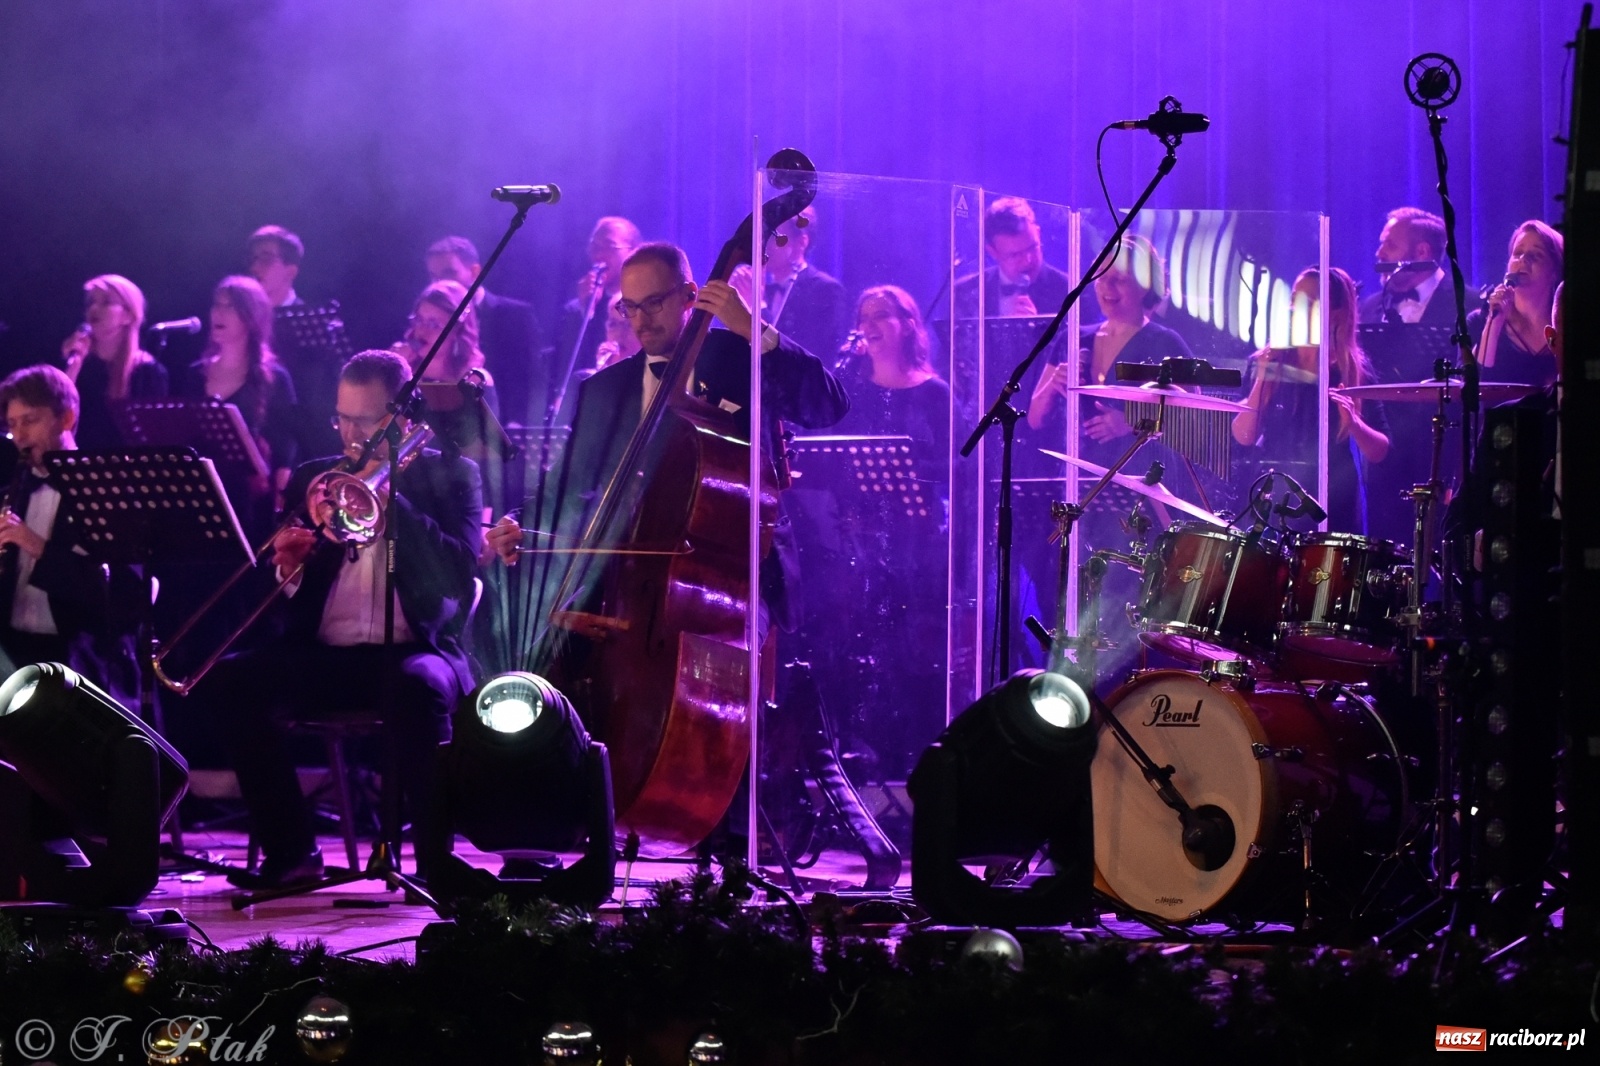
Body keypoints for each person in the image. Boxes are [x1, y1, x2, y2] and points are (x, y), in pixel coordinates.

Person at [212, 349, 483, 888]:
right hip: (325, 653)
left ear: (401, 419)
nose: (349, 433)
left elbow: (458, 573)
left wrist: (389, 502)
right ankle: (293, 854)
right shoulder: (317, 478)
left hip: (416, 649)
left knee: (418, 691)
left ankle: (434, 867)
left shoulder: (453, 475)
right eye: (342, 417)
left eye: (363, 419)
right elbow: (289, 592)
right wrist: (289, 568)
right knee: (231, 681)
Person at [489, 241, 849, 641]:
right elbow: (567, 482)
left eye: (654, 303)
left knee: (720, 661)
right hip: (632, 577)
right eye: (629, 307)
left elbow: (828, 406)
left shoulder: (741, 357)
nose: (639, 321)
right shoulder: (604, 390)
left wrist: (751, 328)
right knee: (552, 654)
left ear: (690, 297)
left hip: (736, 577)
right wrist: (519, 521)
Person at [823, 284, 950, 777]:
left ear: (908, 325)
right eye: (864, 315)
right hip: (856, 541)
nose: (869, 324)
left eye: (882, 315)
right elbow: (832, 457)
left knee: (909, 649)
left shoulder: (934, 393)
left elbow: (956, 467)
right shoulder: (851, 389)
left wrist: (912, 466)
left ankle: (911, 758)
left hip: (918, 545)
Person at [0, 365, 140, 706]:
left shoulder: (105, 494)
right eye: (12, 424)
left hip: (78, 660)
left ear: (65, 419)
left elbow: (120, 600)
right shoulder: (14, 491)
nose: (18, 436)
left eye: (30, 420)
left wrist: (37, 546)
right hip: (15, 651)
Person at [1233, 267, 1390, 535]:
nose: (1295, 307)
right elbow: (1244, 435)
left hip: (1332, 498)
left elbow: (1380, 450)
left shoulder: (1353, 371)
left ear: (1336, 313)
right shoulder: (1270, 361)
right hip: (1272, 495)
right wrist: (1262, 377)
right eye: (1294, 297)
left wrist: (1353, 424)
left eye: (1309, 299)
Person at [181, 275, 299, 536]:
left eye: (229, 306)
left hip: (250, 503)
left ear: (251, 316)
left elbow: (285, 445)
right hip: (201, 497)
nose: (217, 313)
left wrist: (280, 491)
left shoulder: (274, 378)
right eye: (216, 304)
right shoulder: (195, 374)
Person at [424, 236, 542, 426]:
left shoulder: (515, 314)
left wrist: (517, 424)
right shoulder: (431, 322)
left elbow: (532, 379)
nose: (439, 285)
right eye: (434, 277)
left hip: (504, 430)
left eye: (448, 273)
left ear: (474, 272)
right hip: (451, 427)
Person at [58, 273, 170, 450]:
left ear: (128, 316)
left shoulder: (146, 372)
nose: (94, 308)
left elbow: (150, 438)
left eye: (106, 302)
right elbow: (56, 416)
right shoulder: (79, 361)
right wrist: (72, 368)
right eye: (91, 302)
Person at [729, 205, 847, 364]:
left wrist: (759, 306)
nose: (766, 246)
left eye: (776, 238)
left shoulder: (826, 290)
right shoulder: (766, 290)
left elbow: (805, 356)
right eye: (766, 238)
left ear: (801, 242)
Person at [551, 217, 643, 418]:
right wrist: (586, 310)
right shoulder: (576, 311)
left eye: (609, 247)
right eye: (594, 247)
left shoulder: (648, 303)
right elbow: (564, 367)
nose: (599, 255)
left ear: (633, 251)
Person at [1470, 219, 1563, 389]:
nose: (1523, 259)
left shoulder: (1566, 323)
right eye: (1518, 252)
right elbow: (1475, 387)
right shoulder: (1478, 321)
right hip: (1500, 415)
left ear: (1554, 272)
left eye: (1536, 255)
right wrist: (1495, 321)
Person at [1358, 206, 1480, 326]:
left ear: (1422, 252)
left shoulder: (1470, 306)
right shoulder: (1368, 309)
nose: (1379, 253)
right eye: (1382, 244)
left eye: (1391, 245)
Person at [954, 196, 1073, 319]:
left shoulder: (1070, 291)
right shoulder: (966, 293)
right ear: (993, 252)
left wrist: (1038, 331)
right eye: (1015, 255)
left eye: (1032, 247)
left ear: (1038, 233)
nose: (1028, 260)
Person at [247, 226, 305, 309]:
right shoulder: (242, 317)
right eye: (252, 259)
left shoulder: (309, 320)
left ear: (291, 272)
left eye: (266, 259)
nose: (254, 268)